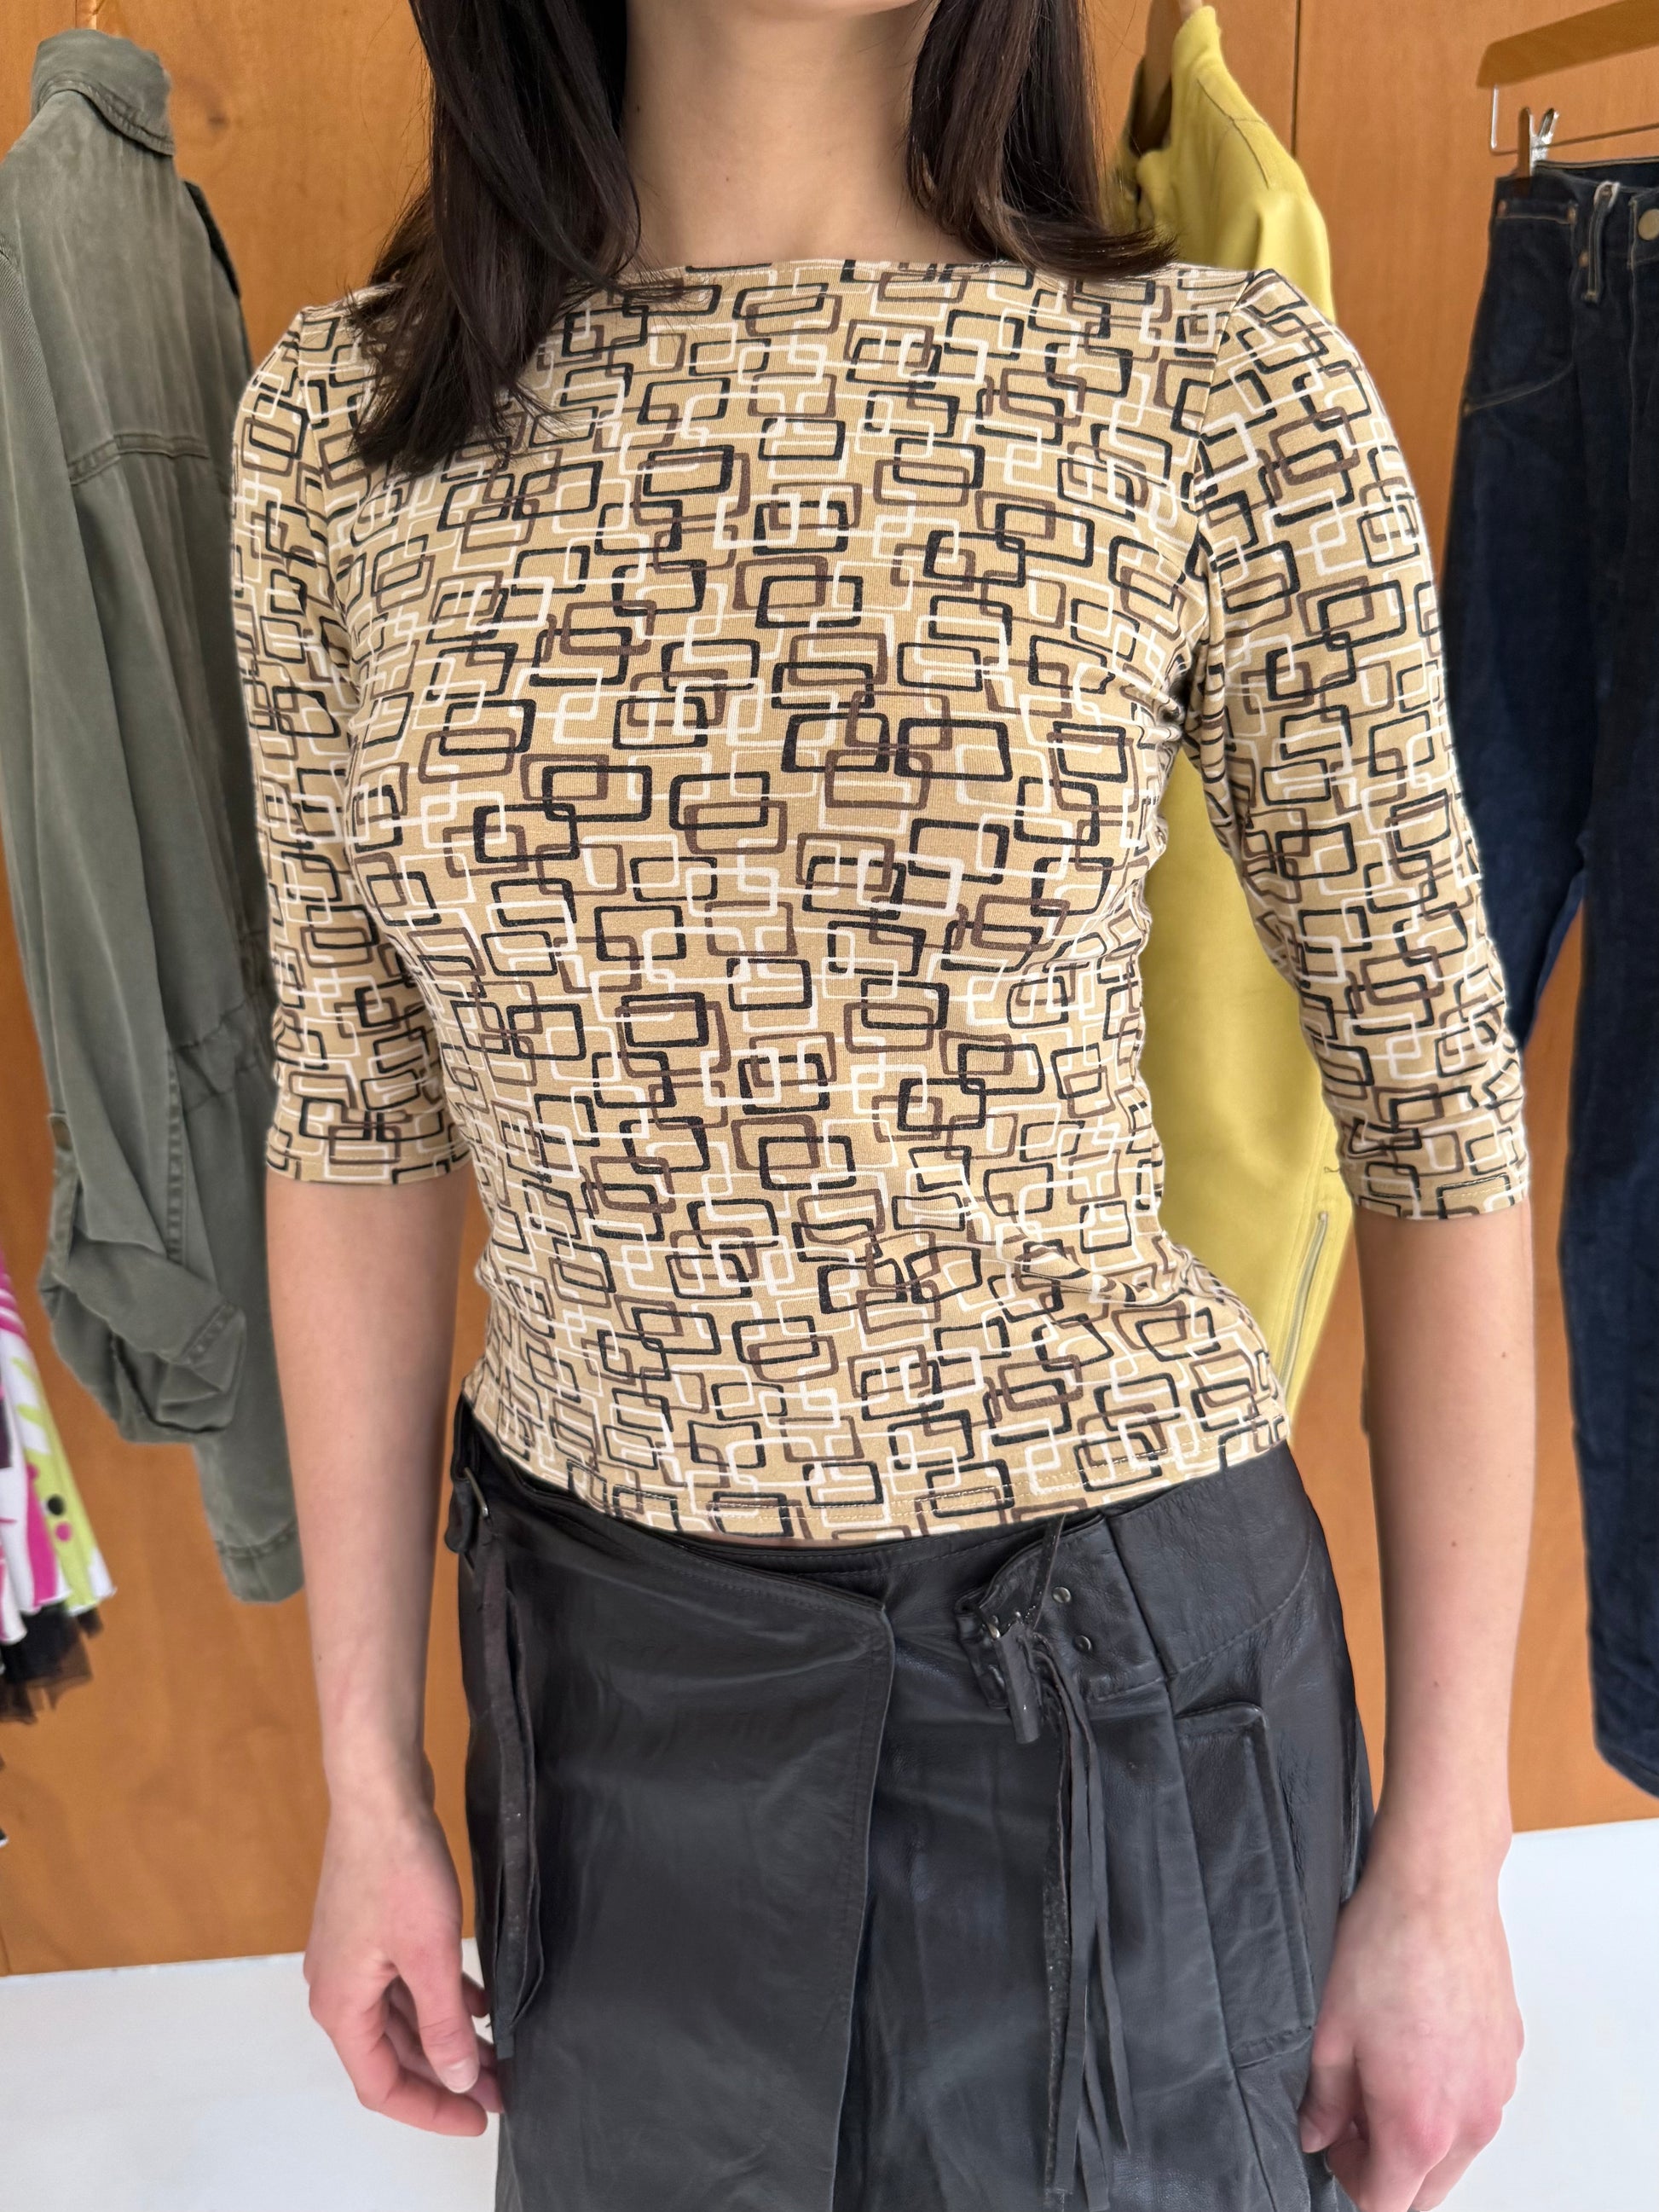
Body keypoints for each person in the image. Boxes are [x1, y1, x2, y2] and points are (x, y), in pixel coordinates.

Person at [228, 4, 1535, 2209]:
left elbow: (1438, 1127)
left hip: (1105, 1683)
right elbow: (353, 1120)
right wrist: (366, 1776)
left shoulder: (1214, 389)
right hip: (605, 1674)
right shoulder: (344, 431)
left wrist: (1447, 1854)